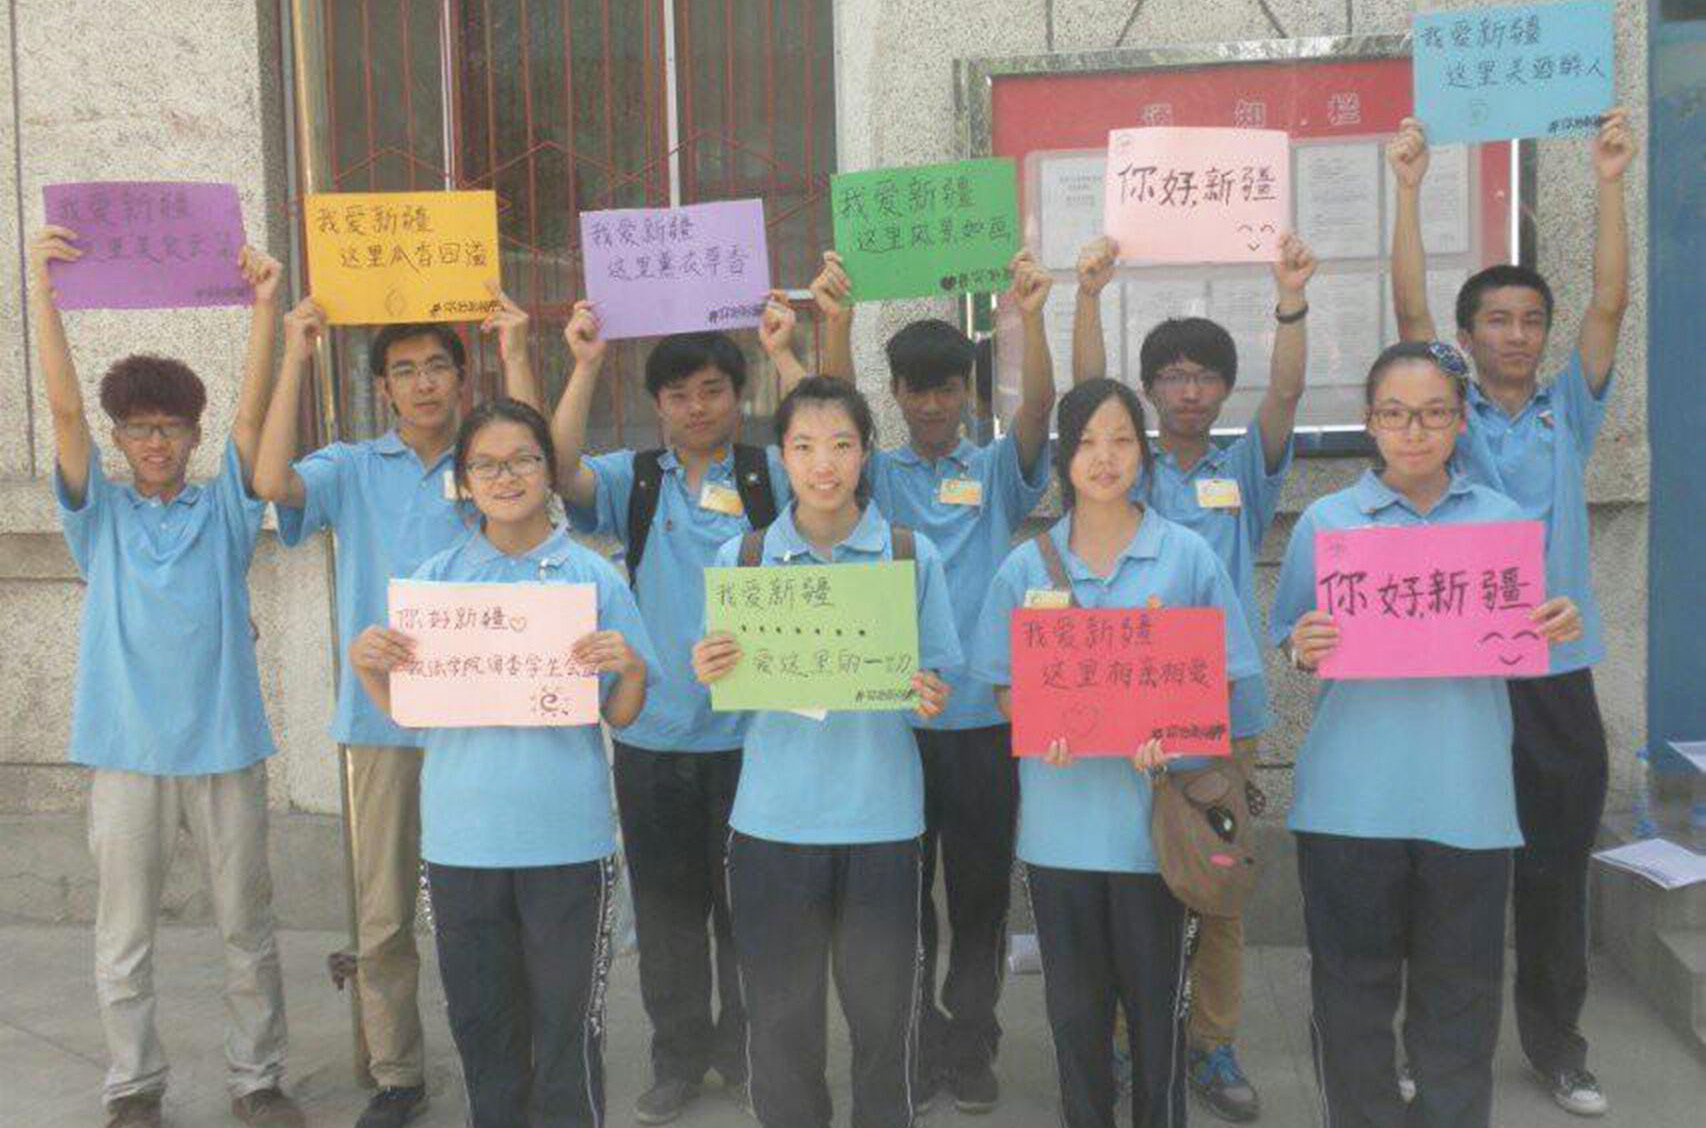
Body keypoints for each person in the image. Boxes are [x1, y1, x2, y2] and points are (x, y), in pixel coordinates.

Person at [1388, 108, 1635, 1118]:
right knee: (1448, 873)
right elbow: (1408, 307)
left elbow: (1609, 304)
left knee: (1552, 876)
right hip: (1460, 674)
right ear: (1467, 338)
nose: (1518, 335)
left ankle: (1557, 1048)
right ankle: (1428, 1045)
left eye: (1531, 320)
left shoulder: (1565, 410)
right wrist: (1407, 188)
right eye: (1497, 320)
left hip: (1554, 679)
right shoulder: (1446, 415)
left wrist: (1609, 179)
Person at [1271, 341, 1584, 1128]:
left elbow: (1533, 632)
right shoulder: (1327, 523)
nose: (1415, 431)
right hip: (1350, 802)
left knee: (1461, 1001)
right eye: (1396, 413)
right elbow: (1290, 638)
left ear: (1459, 421)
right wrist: (1300, 645)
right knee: (1351, 998)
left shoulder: (1503, 525)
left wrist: (1559, 620)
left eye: (1435, 413)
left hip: (1467, 802)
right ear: (1370, 422)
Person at [32, 228, 304, 1128]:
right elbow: (62, 414)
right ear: (120, 437)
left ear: (191, 434)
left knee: (246, 929)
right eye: (140, 428)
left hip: (225, 746)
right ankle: (133, 1087)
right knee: (124, 938)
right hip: (125, 753)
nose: (157, 442)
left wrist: (266, 306)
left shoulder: (224, 510)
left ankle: (257, 1078)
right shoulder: (98, 517)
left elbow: (251, 423)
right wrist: (41, 290)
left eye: (172, 427)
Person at [252, 286, 540, 1128]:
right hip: (381, 723)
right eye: (405, 370)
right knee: (382, 916)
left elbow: (546, 476)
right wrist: (294, 353)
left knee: (496, 905)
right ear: (382, 387)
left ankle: (508, 1060)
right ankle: (397, 1074)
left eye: (438, 367)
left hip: (487, 715)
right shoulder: (350, 467)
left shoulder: (491, 463)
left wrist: (519, 350)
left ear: (463, 376)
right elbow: (269, 480)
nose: (423, 383)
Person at [349, 398, 657, 1128]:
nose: (506, 476)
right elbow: (412, 711)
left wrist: (633, 669)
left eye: (522, 459)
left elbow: (621, 713)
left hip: (568, 842)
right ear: (464, 480)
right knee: (482, 1023)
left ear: (548, 470)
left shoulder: (591, 577)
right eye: (485, 464)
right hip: (462, 842)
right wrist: (368, 666)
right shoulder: (436, 582)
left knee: (568, 1024)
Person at [802, 248, 1057, 1113]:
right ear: (898, 396)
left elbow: (1040, 413)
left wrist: (1030, 316)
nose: (933, 405)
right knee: (900, 906)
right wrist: (836, 323)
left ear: (968, 391)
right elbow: (832, 415)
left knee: (980, 903)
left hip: (985, 726)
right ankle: (910, 1044)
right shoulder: (876, 478)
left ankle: (971, 1042)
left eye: (948, 389)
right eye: (917, 391)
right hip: (897, 727)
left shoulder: (993, 473)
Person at [1072, 230, 1318, 1122]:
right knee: (1131, 876)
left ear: (1221, 388)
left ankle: (1212, 1042)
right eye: (1171, 376)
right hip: (1123, 712)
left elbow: (1286, 394)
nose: (1187, 390)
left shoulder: (1242, 470)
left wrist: (1290, 301)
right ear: (1148, 390)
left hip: (1222, 712)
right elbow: (1085, 398)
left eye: (1204, 376)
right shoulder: (1122, 469)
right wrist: (1088, 296)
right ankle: (1127, 1039)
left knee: (1216, 878)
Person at [971, 377, 1263, 1128]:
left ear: (1144, 453)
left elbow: (1225, 678)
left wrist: (1176, 730)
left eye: (1122, 440)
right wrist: (1038, 715)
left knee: (1157, 1012)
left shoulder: (1186, 556)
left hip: (1154, 835)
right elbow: (1001, 688)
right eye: (1088, 442)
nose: (1105, 458)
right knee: (1076, 1015)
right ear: (1065, 459)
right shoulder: (1025, 568)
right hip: (1060, 832)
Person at [550, 293, 796, 1124]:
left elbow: (835, 456)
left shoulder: (769, 474)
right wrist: (585, 364)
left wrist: (790, 349)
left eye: (713, 390)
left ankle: (749, 1055)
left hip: (753, 735)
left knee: (752, 913)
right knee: (666, 915)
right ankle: (679, 1060)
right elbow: (558, 467)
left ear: (740, 394)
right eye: (679, 394)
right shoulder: (636, 478)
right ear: (657, 405)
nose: (698, 407)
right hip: (653, 735)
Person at [691, 377, 960, 1128]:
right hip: (772, 826)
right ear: (781, 456)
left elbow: (939, 680)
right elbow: (725, 690)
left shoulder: (908, 555)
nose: (824, 463)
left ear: (866, 451)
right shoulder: (744, 559)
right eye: (804, 446)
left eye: (841, 444)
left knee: (885, 1018)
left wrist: (929, 695)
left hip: (882, 825)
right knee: (780, 1022)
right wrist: (709, 666)